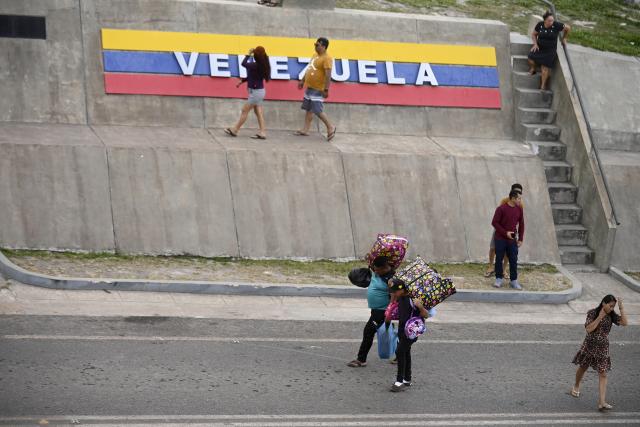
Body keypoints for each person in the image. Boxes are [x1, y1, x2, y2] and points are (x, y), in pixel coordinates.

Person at [571, 295, 628, 411]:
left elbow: (624, 323)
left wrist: (621, 308)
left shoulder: (612, 316)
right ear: (603, 303)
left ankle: (602, 402)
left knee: (603, 373)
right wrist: (600, 317)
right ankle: (576, 386)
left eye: (613, 306)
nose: (612, 308)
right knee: (583, 367)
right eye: (610, 306)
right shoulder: (592, 313)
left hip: (602, 348)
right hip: (590, 345)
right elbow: (588, 329)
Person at [347, 256, 395, 368]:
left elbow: (394, 297)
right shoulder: (378, 269)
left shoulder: (390, 279)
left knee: (368, 332)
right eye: (374, 269)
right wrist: (368, 257)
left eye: (377, 270)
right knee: (388, 332)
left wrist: (389, 311)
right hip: (375, 311)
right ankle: (400, 354)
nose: (375, 272)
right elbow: (372, 265)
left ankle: (361, 359)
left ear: (385, 268)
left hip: (382, 312)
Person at [388, 278, 429, 392]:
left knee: (400, 351)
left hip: (411, 331)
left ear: (402, 290)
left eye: (395, 291)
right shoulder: (400, 297)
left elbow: (426, 315)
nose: (393, 293)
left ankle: (399, 381)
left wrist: (420, 306)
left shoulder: (413, 299)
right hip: (402, 330)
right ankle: (407, 379)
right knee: (406, 352)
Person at [294, 37, 336, 141]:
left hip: (318, 88)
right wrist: (303, 80)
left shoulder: (327, 58)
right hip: (310, 87)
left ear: (323, 46)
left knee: (317, 110)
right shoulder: (315, 56)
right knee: (308, 109)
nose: (315, 47)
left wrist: (326, 89)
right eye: (315, 45)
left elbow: (328, 75)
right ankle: (305, 129)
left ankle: (330, 127)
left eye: (317, 45)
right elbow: (309, 68)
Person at [225, 46, 271, 139]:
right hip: (257, 92)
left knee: (244, 110)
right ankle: (262, 132)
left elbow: (243, 63)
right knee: (258, 112)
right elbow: (251, 77)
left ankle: (235, 130)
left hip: (256, 93)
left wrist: (248, 54)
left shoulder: (256, 65)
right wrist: (242, 81)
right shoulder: (261, 64)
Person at [484, 184, 524, 278]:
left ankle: (504, 269)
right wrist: (504, 232)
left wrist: (520, 237)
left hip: (512, 232)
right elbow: (498, 218)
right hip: (500, 230)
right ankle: (490, 267)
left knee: (508, 252)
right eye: (516, 191)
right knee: (493, 247)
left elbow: (520, 221)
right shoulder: (504, 201)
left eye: (520, 192)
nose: (519, 193)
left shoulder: (520, 204)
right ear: (512, 192)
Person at [527, 11, 571, 90]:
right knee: (530, 57)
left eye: (552, 20)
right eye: (550, 20)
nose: (552, 22)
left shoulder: (556, 25)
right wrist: (535, 44)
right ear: (545, 21)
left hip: (550, 50)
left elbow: (568, 28)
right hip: (539, 47)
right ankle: (533, 69)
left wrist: (564, 38)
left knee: (545, 68)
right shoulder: (540, 25)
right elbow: (534, 34)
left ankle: (542, 86)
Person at [491, 190, 524, 290]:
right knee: (499, 258)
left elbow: (522, 224)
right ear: (513, 198)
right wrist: (506, 233)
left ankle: (514, 280)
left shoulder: (519, 209)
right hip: (500, 238)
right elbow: (494, 223)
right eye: (519, 198)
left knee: (513, 259)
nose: (520, 200)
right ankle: (498, 279)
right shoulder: (501, 209)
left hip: (512, 240)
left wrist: (521, 239)